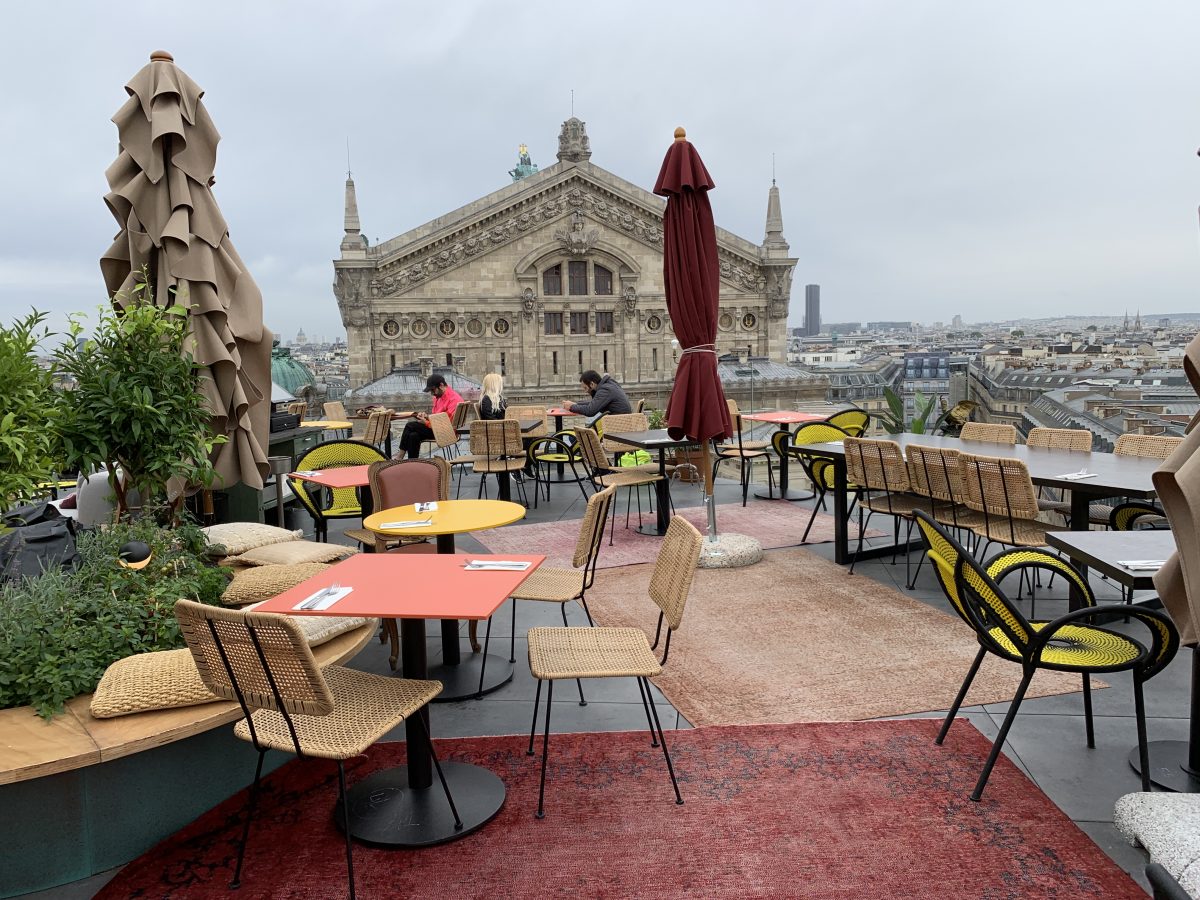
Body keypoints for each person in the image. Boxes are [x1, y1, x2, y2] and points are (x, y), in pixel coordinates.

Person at [398, 374, 462, 458]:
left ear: (441, 385)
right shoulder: (439, 397)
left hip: (446, 433)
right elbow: (438, 417)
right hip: (438, 428)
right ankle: (413, 465)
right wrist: (426, 417)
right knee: (413, 435)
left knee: (410, 425)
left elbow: (446, 424)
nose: (432, 393)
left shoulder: (453, 399)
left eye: (433, 390)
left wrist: (426, 422)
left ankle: (399, 456)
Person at [562, 370, 631, 424]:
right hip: (620, 421)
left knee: (577, 437)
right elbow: (594, 402)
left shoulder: (605, 390)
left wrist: (571, 407)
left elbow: (590, 411)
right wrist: (575, 404)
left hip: (618, 425)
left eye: (585, 388)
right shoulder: (608, 384)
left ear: (592, 384)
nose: (585, 391)